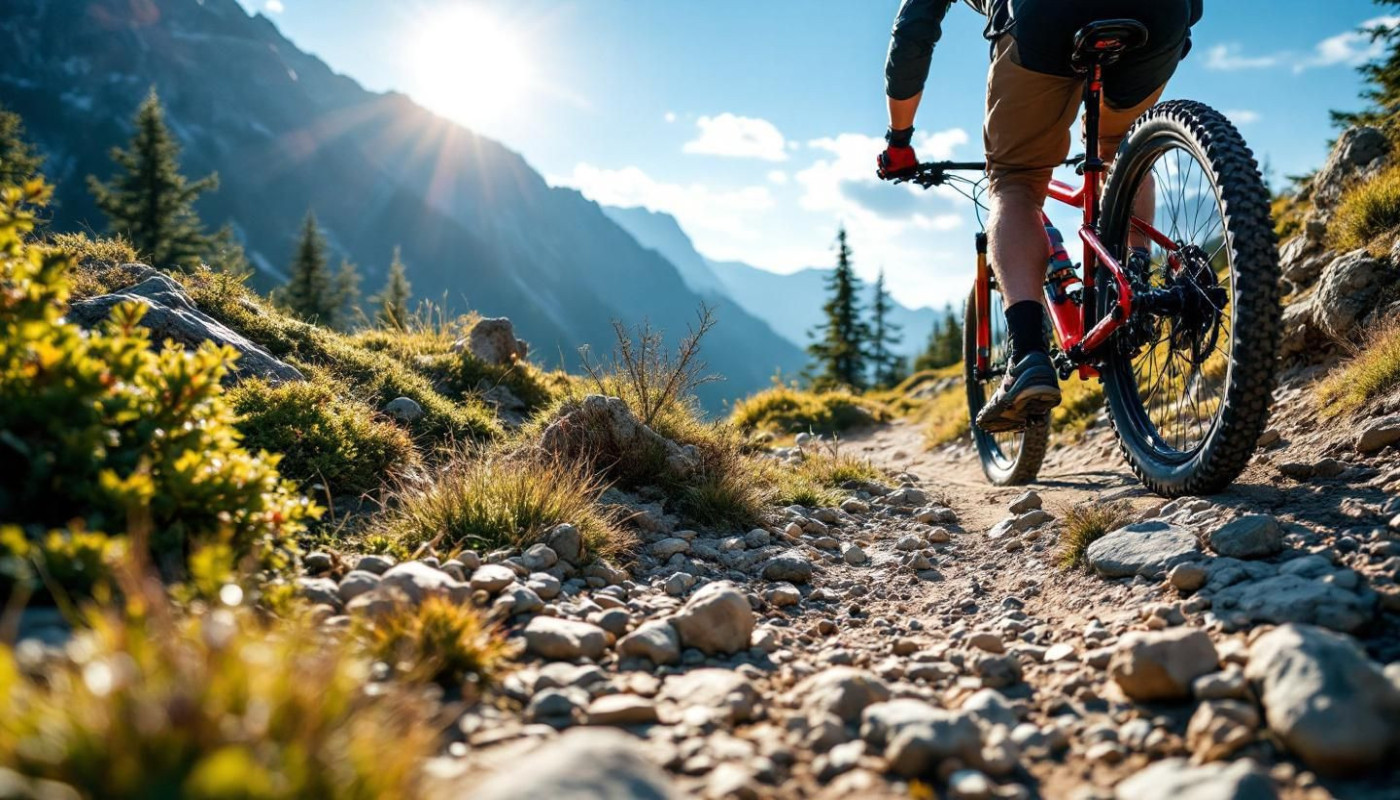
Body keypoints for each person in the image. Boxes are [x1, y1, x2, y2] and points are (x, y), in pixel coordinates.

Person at [877, 0, 1203, 432]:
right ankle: (1138, 275)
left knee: (1016, 182)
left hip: (1047, 15)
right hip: (1157, 15)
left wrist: (899, 141)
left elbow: (914, 30)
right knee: (1116, 148)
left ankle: (1027, 355)